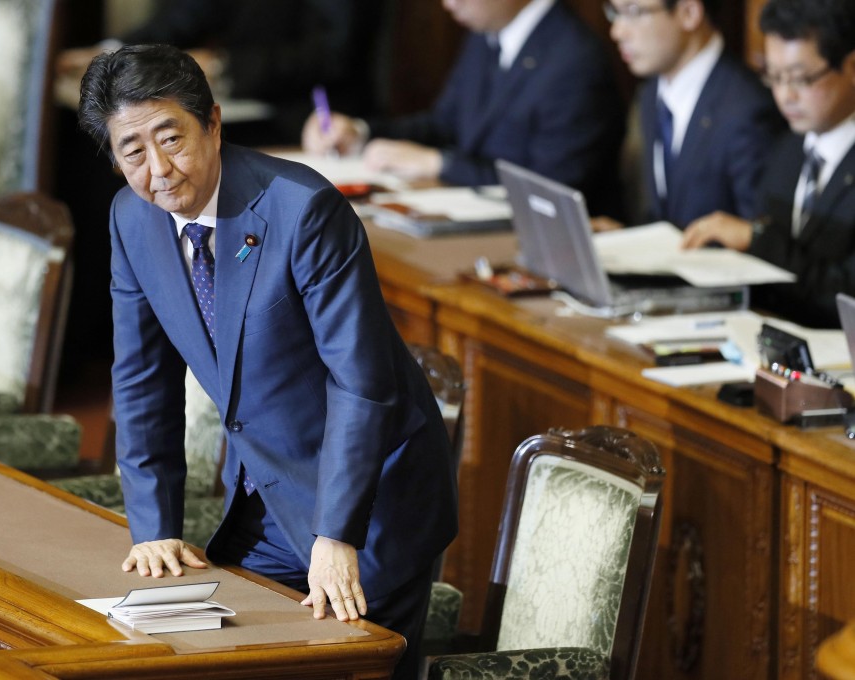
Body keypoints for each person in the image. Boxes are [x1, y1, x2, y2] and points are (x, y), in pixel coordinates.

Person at [77, 44, 459, 680]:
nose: (159, 170)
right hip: (265, 500)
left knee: (338, 667)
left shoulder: (302, 209)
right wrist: (153, 526)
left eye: (171, 138)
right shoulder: (131, 219)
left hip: (369, 502)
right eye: (132, 151)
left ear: (214, 124)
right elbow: (142, 378)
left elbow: (361, 384)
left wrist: (338, 536)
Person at [302, 0, 626, 218]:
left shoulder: (573, 58)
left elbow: (551, 188)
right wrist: (359, 133)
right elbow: (445, 123)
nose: (449, 4)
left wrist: (439, 164)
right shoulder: (488, 34)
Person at [681, 0, 855, 328]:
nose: (785, 95)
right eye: (773, 76)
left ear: (851, 67)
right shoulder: (786, 147)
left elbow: (845, 294)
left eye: (801, 79)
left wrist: (757, 239)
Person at [59, 0, 384, 144]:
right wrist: (112, 51)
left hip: (311, 119)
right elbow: (187, 14)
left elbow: (333, 52)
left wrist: (223, 66)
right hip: (247, 104)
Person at [594, 0, 786, 231]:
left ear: (689, 13)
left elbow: (759, 238)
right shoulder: (650, 93)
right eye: (615, 12)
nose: (617, 31)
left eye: (633, 12)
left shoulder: (747, 109)